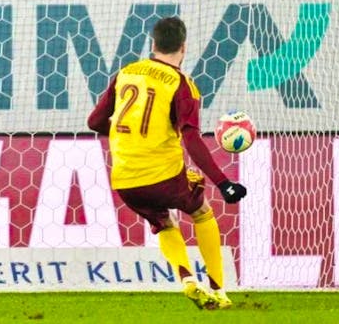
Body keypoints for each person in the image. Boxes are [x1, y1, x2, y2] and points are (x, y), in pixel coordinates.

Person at [87, 16, 247, 310]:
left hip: (125, 181)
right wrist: (224, 183)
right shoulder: (182, 84)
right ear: (184, 47)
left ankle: (187, 278)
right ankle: (218, 289)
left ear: (153, 44)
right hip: (163, 175)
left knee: (164, 221)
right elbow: (191, 138)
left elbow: (95, 121)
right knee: (201, 212)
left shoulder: (127, 72)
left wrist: (132, 132)